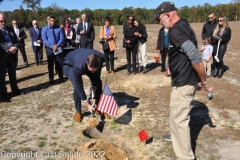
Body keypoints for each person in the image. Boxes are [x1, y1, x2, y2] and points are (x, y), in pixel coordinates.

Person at [152, 2, 213, 159]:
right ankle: (176, 138)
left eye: (159, 18)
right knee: (176, 115)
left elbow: (194, 55)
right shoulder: (184, 25)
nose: (159, 22)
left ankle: (185, 156)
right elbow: (185, 52)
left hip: (184, 81)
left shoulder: (176, 31)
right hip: (185, 78)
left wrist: (204, 82)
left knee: (180, 119)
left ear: (168, 14)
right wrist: (172, 66)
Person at [62, 48, 110, 122]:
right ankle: (78, 112)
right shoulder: (78, 66)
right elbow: (79, 86)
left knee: (98, 82)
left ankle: (99, 108)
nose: (93, 72)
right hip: (70, 65)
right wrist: (87, 104)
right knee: (77, 88)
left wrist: (94, 87)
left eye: (95, 70)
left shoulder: (101, 58)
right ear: (87, 63)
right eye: (91, 70)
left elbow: (96, 75)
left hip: (86, 64)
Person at [0, 13, 24, 100]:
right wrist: (9, 48)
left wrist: (15, 47)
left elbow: (16, 40)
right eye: (1, 21)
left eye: (4, 21)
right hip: (2, 56)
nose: (3, 23)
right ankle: (3, 94)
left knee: (13, 74)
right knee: (2, 76)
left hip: (12, 55)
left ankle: (15, 90)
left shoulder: (10, 29)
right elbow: (1, 43)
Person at [41, 16, 65, 84]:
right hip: (49, 48)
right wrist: (51, 46)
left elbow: (62, 38)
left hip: (58, 48)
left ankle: (61, 77)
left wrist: (57, 45)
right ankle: (51, 78)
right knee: (50, 64)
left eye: (54, 21)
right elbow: (44, 39)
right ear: (48, 21)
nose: (53, 22)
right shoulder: (44, 29)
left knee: (59, 62)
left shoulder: (59, 28)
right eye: (51, 21)